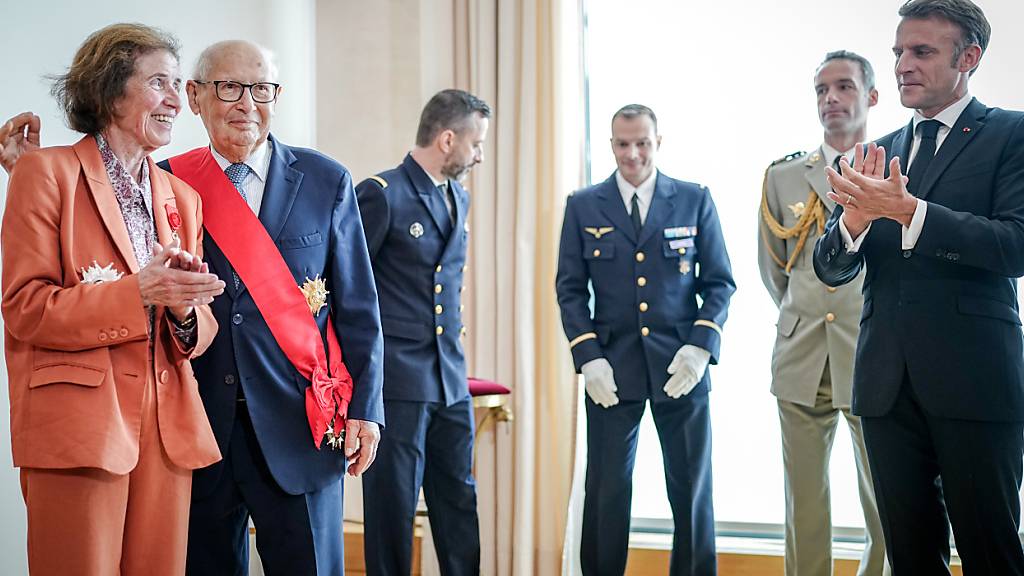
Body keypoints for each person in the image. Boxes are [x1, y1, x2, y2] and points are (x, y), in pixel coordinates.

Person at [1, 23, 225, 574]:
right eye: (159, 84)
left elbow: (200, 330)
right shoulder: (44, 172)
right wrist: (138, 293)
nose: (177, 100)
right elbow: (25, 307)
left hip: (168, 432)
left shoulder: (183, 197)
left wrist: (182, 312)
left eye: (179, 85)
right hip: (80, 426)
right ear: (109, 90)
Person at [159, 40, 384, 576]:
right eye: (229, 87)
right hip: (198, 429)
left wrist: (367, 409)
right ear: (195, 97)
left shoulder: (325, 179)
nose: (246, 103)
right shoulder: (164, 180)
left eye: (261, 89)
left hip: (300, 426)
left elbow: (358, 306)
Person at [813, 0, 1024, 572]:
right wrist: (853, 225)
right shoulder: (875, 152)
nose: (904, 64)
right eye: (899, 52)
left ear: (970, 57)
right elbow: (829, 268)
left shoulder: (1011, 134)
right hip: (885, 387)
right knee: (909, 557)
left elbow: (1015, 245)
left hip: (975, 383)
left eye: (922, 51)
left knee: (993, 554)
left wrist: (912, 213)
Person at [556, 104, 735, 575]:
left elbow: (719, 282)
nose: (632, 154)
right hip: (611, 370)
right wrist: (587, 356)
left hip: (682, 365)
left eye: (642, 143)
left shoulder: (694, 199)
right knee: (606, 489)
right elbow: (570, 289)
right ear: (611, 143)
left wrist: (701, 348)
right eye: (622, 144)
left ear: (659, 142)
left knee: (692, 489)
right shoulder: (583, 205)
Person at [759, 51, 888, 576]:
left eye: (844, 87)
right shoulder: (784, 176)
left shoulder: (898, 168)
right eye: (821, 90)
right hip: (802, 355)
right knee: (804, 507)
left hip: (873, 354)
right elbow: (776, 271)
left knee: (886, 505)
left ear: (871, 97)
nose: (831, 99)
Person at [355, 88, 490, 576]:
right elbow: (351, 292)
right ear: (448, 139)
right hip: (397, 381)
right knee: (392, 510)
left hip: (450, 377)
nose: (480, 155)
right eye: (476, 144)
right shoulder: (381, 193)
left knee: (458, 500)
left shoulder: (459, 196)